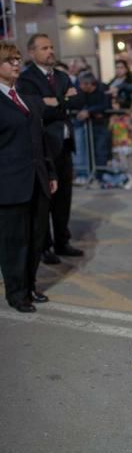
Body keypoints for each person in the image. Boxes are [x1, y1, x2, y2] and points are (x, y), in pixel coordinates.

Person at [0, 42, 57, 312]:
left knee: (36, 238)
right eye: (9, 60)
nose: (15, 64)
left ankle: (30, 286)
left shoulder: (23, 96)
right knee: (14, 243)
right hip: (9, 184)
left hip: (37, 179)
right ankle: (16, 293)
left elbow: (40, 139)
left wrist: (51, 172)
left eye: (17, 59)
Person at [17, 34, 84, 263]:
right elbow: (38, 110)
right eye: (44, 48)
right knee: (44, 199)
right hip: (44, 146)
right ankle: (44, 246)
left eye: (52, 46)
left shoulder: (63, 76)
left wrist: (55, 101)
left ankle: (62, 241)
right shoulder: (27, 79)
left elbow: (77, 101)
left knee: (64, 196)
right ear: (32, 53)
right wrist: (60, 101)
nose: (50, 51)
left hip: (65, 145)